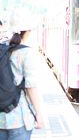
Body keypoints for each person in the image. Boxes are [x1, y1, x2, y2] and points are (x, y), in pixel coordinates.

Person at [0, 9, 44, 140]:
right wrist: (39, 114)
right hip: (19, 118)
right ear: (28, 31)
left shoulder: (2, 47)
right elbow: (31, 87)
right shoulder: (27, 53)